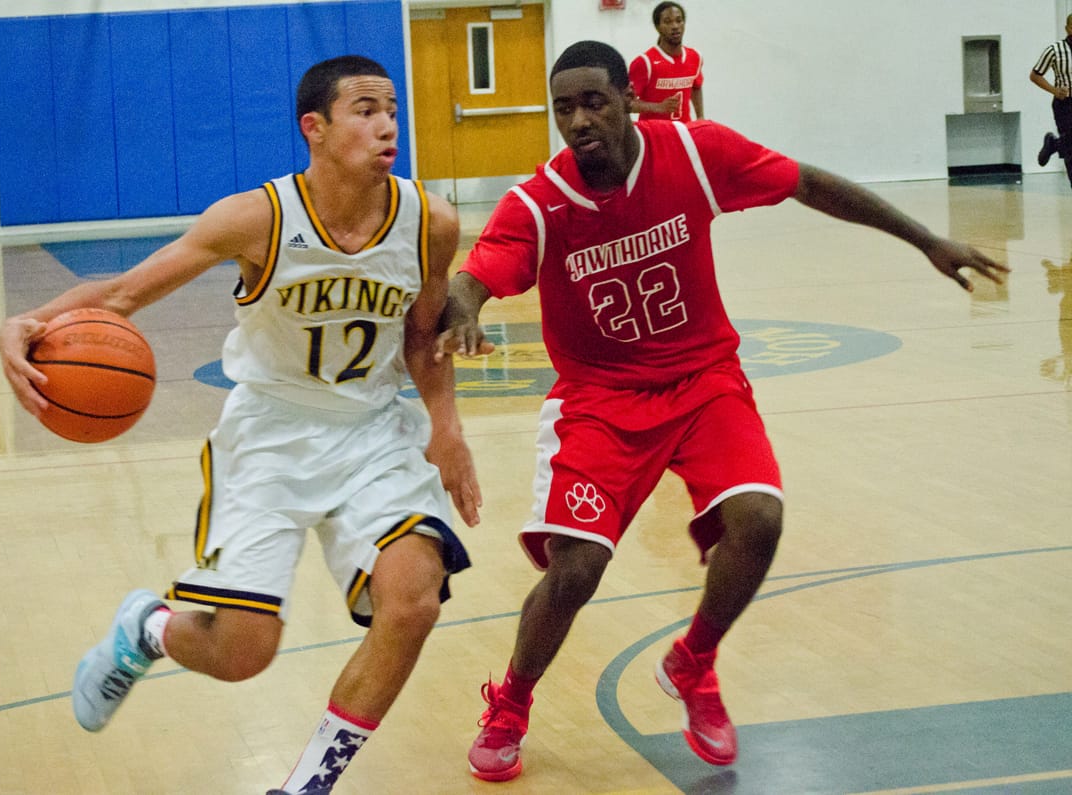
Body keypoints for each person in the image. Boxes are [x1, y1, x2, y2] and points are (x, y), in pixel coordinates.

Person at [437, 40, 1008, 781]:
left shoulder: (696, 155)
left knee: (760, 519)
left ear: (627, 101)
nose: (579, 120)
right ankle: (511, 700)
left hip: (705, 380)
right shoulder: (539, 202)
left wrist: (925, 238)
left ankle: (693, 659)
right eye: (565, 108)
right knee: (576, 569)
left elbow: (807, 183)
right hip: (601, 400)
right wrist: (463, 311)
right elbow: (475, 277)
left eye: (595, 102)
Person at [0, 55, 483, 795]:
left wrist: (445, 428)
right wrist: (27, 321)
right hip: (270, 435)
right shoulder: (258, 218)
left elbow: (422, 335)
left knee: (413, 598)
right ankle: (148, 629)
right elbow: (124, 294)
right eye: (364, 109)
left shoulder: (431, 222)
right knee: (244, 650)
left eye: (391, 108)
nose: (387, 123)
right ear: (313, 129)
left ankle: (306, 785)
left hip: (373, 434)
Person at [628, 2, 703, 123]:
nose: (675, 26)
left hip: (683, 131)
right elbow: (625, 103)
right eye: (668, 22)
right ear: (657, 27)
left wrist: (700, 117)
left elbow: (696, 86)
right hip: (653, 133)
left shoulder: (695, 57)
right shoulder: (645, 62)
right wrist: (658, 107)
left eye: (679, 20)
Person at [1031, 14, 1072, 188]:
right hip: (1065, 103)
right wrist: (1055, 91)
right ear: (1068, 29)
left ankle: (1054, 143)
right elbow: (1035, 75)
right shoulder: (1055, 50)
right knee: (1071, 146)